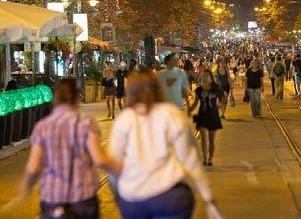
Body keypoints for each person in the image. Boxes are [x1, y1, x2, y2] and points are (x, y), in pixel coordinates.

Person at [110, 71, 222, 219]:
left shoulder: (124, 120)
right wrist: (209, 199)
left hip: (134, 201)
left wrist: (120, 196)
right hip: (170, 197)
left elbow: (113, 167)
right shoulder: (172, 114)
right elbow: (191, 160)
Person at [14, 78, 121, 219]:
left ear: (55, 98)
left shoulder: (43, 127)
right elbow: (100, 160)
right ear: (77, 97)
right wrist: (124, 170)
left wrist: (24, 190)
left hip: (52, 200)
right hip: (83, 199)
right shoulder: (86, 123)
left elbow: (33, 168)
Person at [189, 69, 224, 166]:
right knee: (204, 139)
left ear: (211, 78)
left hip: (213, 115)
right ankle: (205, 159)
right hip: (202, 115)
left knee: (212, 140)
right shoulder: (199, 90)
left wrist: (220, 105)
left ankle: (210, 159)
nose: (204, 77)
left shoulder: (216, 88)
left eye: (206, 76)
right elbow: (195, 103)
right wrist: (189, 109)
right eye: (203, 76)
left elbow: (223, 97)